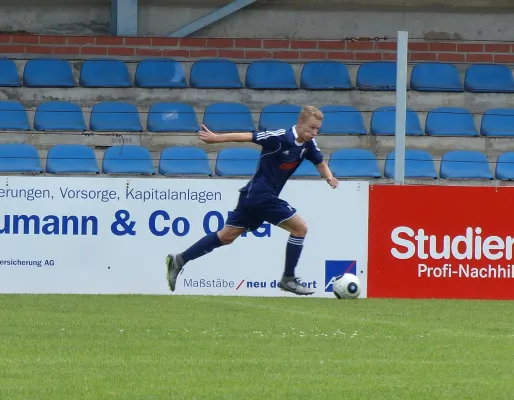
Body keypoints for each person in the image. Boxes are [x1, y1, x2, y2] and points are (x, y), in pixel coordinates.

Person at [165, 105, 339, 295]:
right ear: (300, 123)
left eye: (317, 129)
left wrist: (329, 177)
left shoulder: (309, 144)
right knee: (300, 228)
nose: (314, 132)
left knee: (226, 236)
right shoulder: (279, 137)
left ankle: (179, 260)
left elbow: (320, 163)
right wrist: (216, 139)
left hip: (252, 197)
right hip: (260, 194)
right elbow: (248, 136)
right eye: (311, 127)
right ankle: (288, 278)